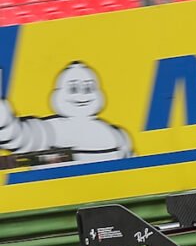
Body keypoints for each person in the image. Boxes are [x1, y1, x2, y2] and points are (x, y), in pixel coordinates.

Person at [0, 62, 132, 168]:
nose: (82, 95)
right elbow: (20, 136)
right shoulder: (52, 129)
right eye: (73, 89)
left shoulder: (118, 135)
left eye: (88, 88)